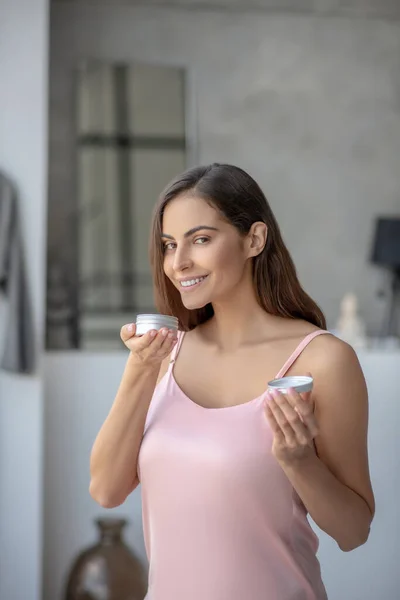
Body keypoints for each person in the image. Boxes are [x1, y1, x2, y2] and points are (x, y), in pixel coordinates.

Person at [89, 163, 375, 600]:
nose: (178, 262)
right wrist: (140, 372)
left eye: (200, 239)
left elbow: (353, 531)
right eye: (169, 245)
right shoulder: (165, 356)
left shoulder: (323, 361)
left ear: (254, 239)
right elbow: (107, 490)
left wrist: (300, 461)